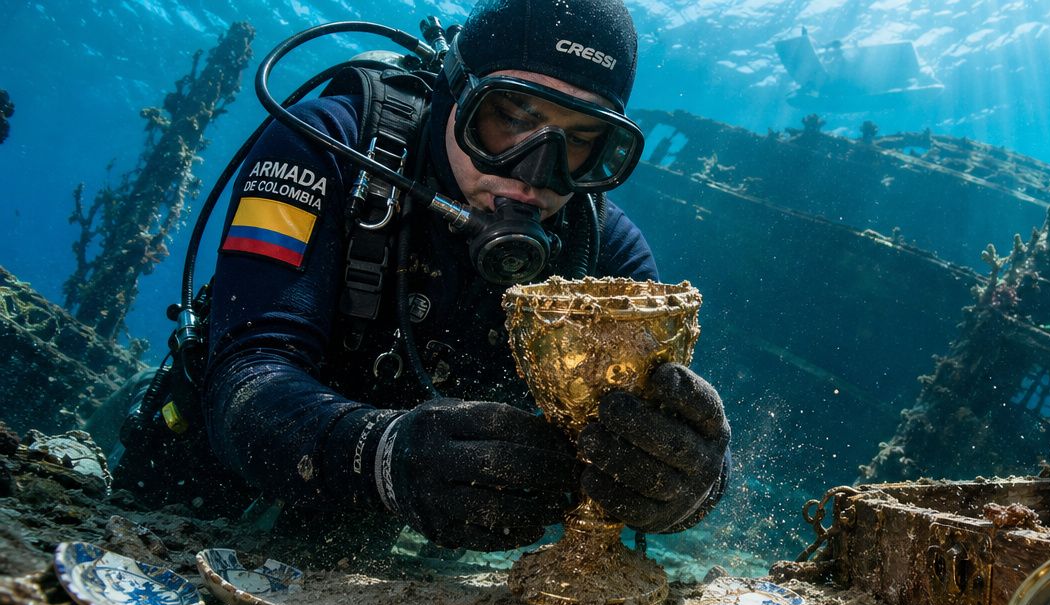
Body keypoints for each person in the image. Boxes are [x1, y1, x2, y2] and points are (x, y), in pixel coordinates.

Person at [114, 0, 731, 555]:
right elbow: (248, 370)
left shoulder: (602, 248)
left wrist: (690, 482)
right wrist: (385, 454)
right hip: (209, 473)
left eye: (580, 142)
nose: (534, 176)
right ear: (454, 94)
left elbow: (651, 425)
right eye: (511, 118)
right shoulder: (324, 143)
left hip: (371, 524)